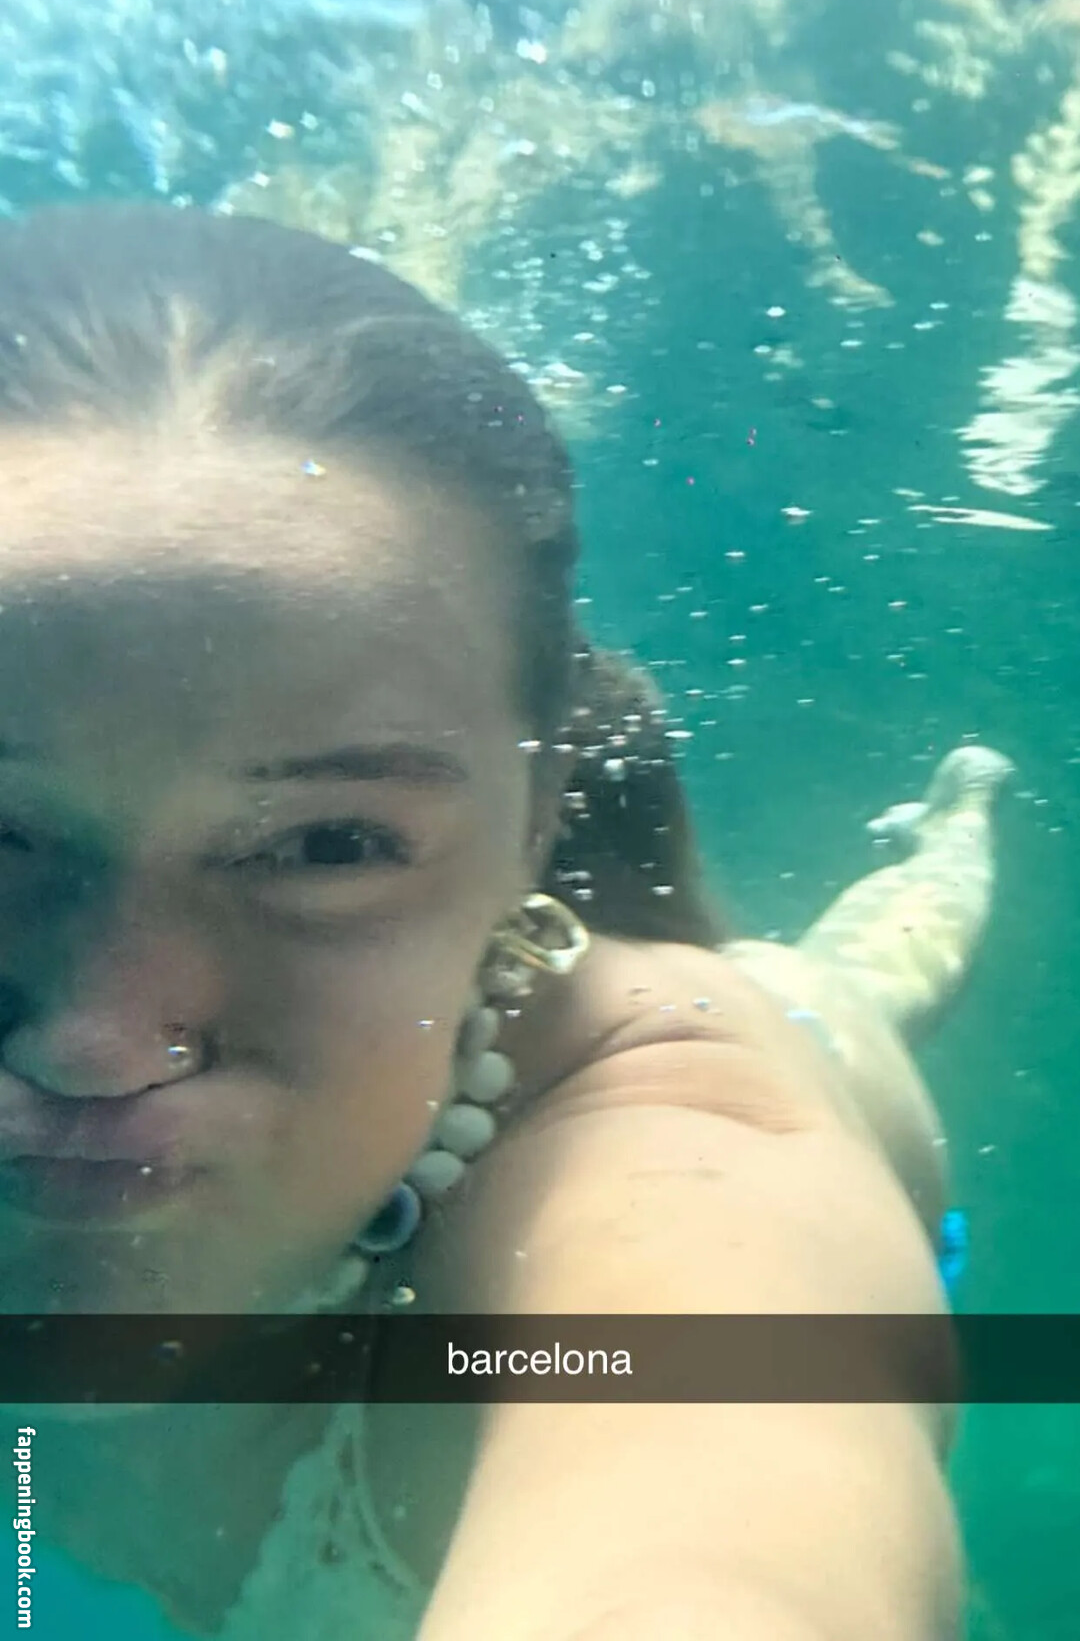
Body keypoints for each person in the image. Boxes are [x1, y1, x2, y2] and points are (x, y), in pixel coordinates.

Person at [0, 201, 1010, 1641]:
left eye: (330, 845)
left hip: (783, 1045)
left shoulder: (685, 1184)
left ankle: (958, 826)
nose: (95, 1043)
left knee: (869, 970)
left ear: (535, 831)